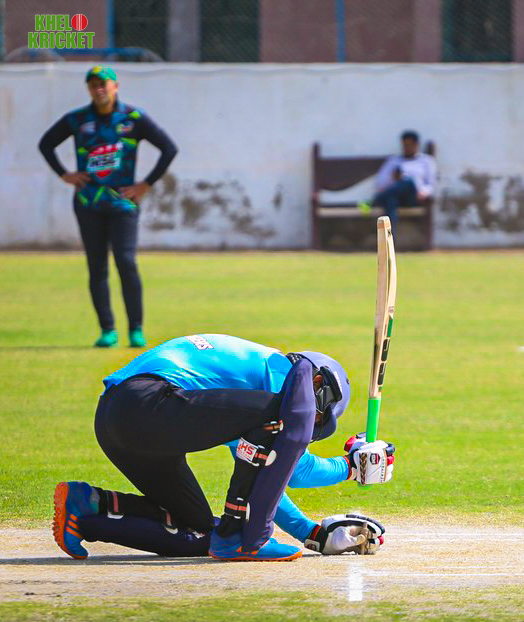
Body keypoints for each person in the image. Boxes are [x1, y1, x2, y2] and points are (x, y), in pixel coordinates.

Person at [52, 334, 395, 561]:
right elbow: (295, 469)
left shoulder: (257, 393)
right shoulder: (281, 376)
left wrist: (313, 534)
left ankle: (87, 508)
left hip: (119, 419)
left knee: (198, 532)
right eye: (316, 412)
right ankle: (239, 540)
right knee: (279, 420)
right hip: (144, 403)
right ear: (317, 382)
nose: (309, 420)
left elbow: (264, 474)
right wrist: (350, 467)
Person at [38, 66, 178, 348]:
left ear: (116, 86)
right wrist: (65, 175)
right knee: (97, 266)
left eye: (103, 84)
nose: (99, 89)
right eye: (93, 85)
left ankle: (136, 329)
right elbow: (46, 144)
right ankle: (108, 330)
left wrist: (145, 184)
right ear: (89, 89)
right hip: (88, 203)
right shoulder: (77, 119)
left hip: (123, 204)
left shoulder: (133, 119)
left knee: (126, 262)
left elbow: (169, 148)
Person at [370, 130, 437, 236]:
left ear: (417, 145)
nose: (407, 148)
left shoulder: (426, 161)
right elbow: (380, 184)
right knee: (391, 201)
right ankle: (391, 238)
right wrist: (393, 178)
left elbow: (431, 184)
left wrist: (423, 192)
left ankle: (375, 200)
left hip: (414, 197)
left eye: (410, 145)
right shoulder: (394, 161)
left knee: (408, 182)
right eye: (405, 145)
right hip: (396, 197)